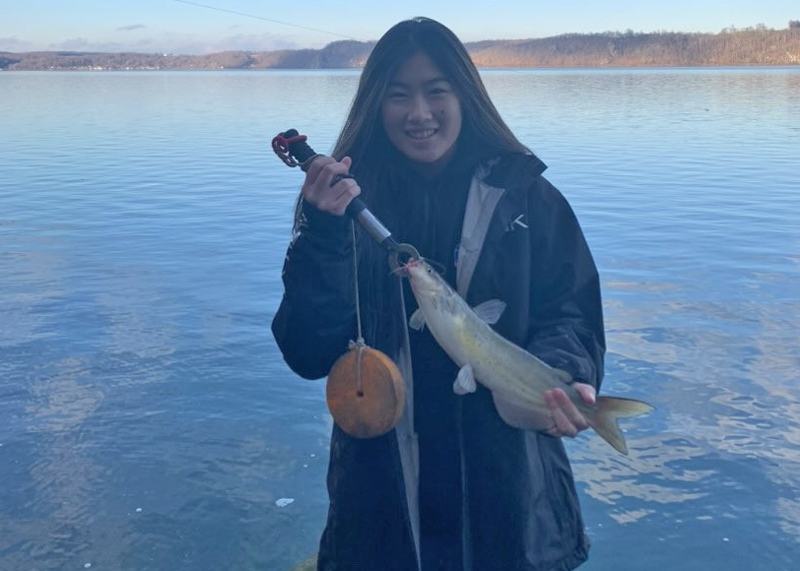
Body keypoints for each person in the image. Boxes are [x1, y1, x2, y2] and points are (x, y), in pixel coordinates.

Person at [272, 16, 605, 571]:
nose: (419, 114)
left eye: (436, 91)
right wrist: (322, 235)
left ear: (465, 96)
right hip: (381, 505)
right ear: (376, 104)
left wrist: (564, 374)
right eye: (399, 95)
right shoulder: (344, 212)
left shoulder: (530, 201)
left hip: (513, 502)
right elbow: (307, 352)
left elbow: (571, 313)